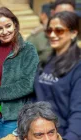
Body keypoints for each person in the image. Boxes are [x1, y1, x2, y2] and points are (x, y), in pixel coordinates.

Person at [0, 7, 39, 140]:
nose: (5, 32)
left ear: (15, 25)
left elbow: (28, 84)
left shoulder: (28, 50)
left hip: (13, 117)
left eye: (8, 26)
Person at [34, 11, 81, 140]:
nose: (52, 35)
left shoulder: (78, 66)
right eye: (49, 30)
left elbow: (79, 111)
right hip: (39, 133)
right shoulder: (46, 61)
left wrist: (71, 137)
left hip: (63, 134)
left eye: (59, 30)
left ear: (73, 33)